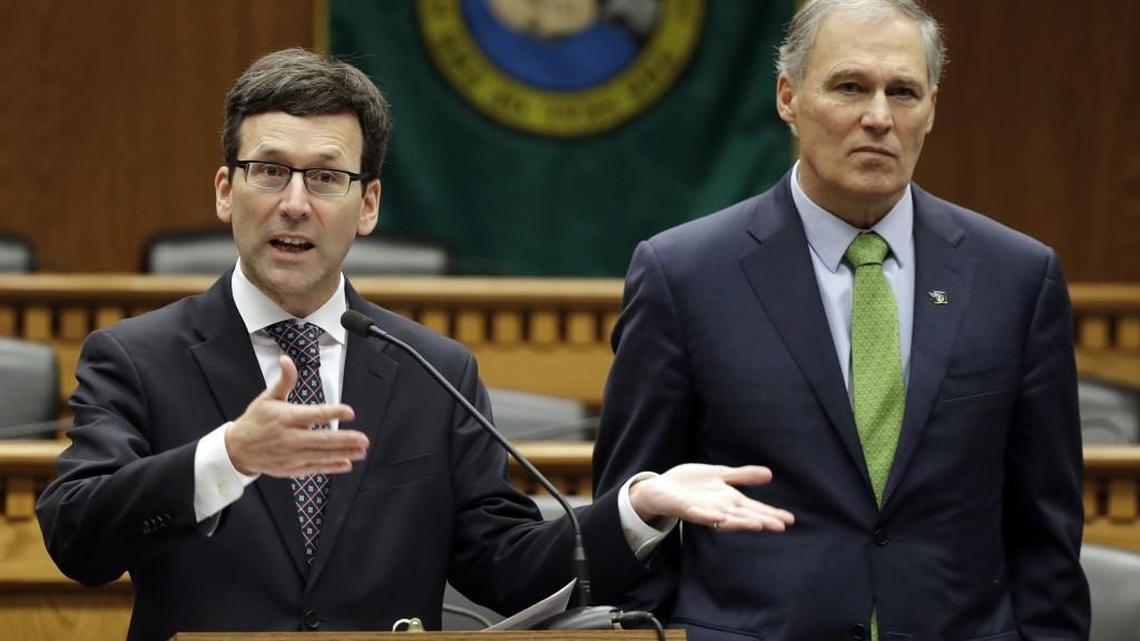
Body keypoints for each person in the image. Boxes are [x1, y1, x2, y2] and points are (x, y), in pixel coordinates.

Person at [35, 48, 792, 641]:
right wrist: (226, 456)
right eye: (270, 171)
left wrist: (634, 506)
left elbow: (502, 566)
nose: (295, 203)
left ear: (367, 205)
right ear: (226, 190)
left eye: (326, 177)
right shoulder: (134, 356)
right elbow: (76, 535)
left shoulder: (434, 369)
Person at [592, 1, 1090, 640]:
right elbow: (638, 519)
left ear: (931, 109)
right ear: (788, 97)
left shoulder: (1018, 277)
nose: (878, 117)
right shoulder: (682, 275)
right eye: (850, 86)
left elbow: (1046, 533)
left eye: (903, 92)